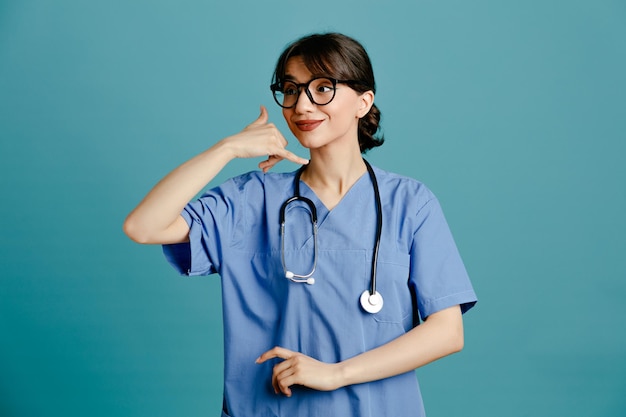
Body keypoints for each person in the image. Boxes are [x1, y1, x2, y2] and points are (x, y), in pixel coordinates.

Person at [124, 32, 477, 417]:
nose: (302, 105)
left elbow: (447, 331)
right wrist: (227, 149)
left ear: (364, 101)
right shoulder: (250, 200)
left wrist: (337, 374)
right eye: (291, 90)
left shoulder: (410, 203)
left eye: (323, 87)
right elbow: (144, 226)